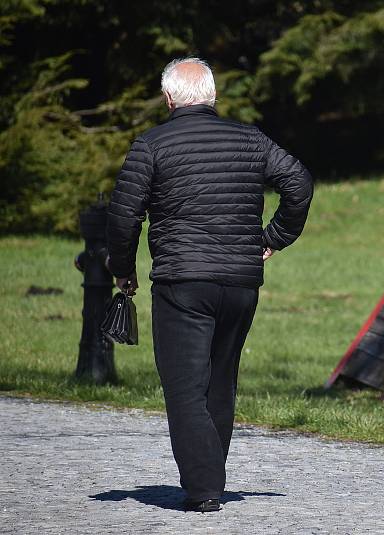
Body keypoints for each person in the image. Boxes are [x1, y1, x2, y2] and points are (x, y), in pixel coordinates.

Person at [105, 57, 313, 512]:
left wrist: (122, 270)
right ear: (213, 96)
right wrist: (273, 239)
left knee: (185, 388)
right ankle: (210, 475)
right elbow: (298, 182)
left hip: (183, 281)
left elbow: (123, 217)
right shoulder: (251, 139)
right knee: (220, 381)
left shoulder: (152, 144)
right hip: (241, 282)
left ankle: (203, 489)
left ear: (168, 98)